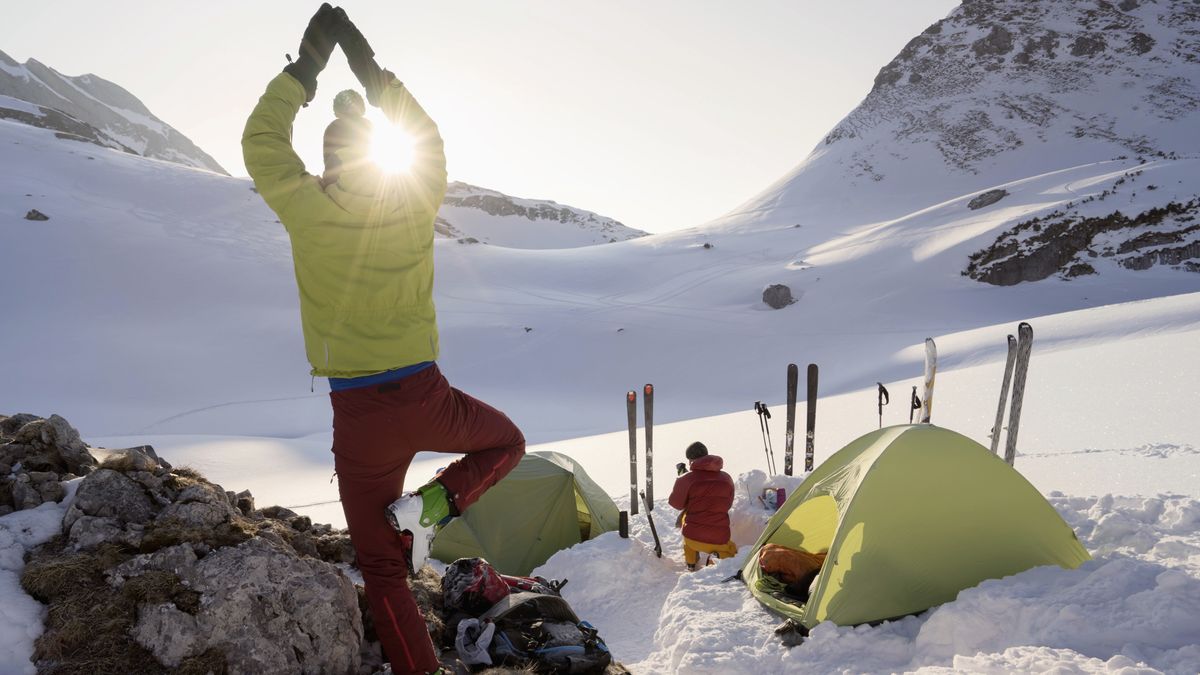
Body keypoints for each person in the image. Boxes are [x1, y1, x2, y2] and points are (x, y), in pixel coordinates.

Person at [242, 6, 524, 674]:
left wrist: (305, 71)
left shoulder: (305, 203)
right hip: (427, 394)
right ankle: (426, 507)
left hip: (359, 413)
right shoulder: (413, 198)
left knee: (382, 569)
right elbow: (424, 135)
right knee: (506, 441)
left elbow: (261, 140)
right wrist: (371, 75)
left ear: (328, 159)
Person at [668, 441, 737, 570]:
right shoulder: (727, 478)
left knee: (684, 517)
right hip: (720, 538)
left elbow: (676, 504)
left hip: (692, 538)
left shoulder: (686, 479)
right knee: (729, 551)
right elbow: (728, 504)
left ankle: (691, 562)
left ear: (690, 461)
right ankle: (719, 559)